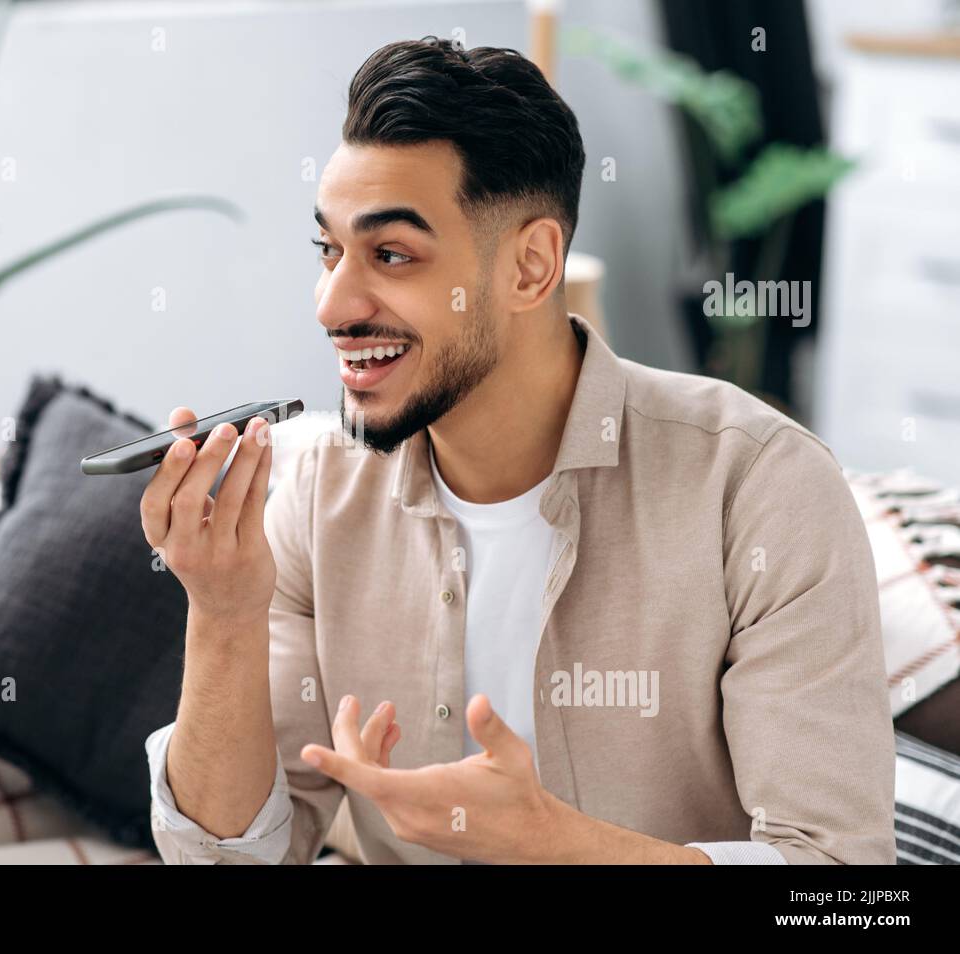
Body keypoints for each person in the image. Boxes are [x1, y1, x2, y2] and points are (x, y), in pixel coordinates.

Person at [139, 36, 895, 865]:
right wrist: (222, 613)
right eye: (329, 250)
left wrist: (553, 844)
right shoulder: (316, 493)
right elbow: (229, 859)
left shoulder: (759, 488)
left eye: (390, 254)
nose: (332, 305)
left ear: (531, 267)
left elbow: (845, 891)